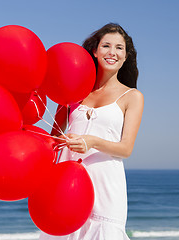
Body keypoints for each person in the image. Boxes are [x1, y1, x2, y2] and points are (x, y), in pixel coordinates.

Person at [40, 23, 144, 240]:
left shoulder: (132, 97)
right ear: (95, 51)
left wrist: (92, 141)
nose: (112, 52)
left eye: (119, 48)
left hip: (105, 183)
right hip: (67, 181)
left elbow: (126, 149)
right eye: (106, 46)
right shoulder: (73, 88)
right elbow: (54, 138)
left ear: (125, 56)